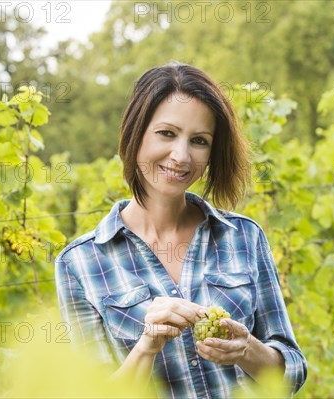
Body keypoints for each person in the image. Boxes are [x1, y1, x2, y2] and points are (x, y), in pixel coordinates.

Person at [54, 62, 307, 398]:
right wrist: (146, 346)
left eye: (199, 141)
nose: (181, 156)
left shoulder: (243, 237)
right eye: (167, 133)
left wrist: (247, 350)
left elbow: (292, 374)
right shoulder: (80, 263)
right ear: (135, 134)